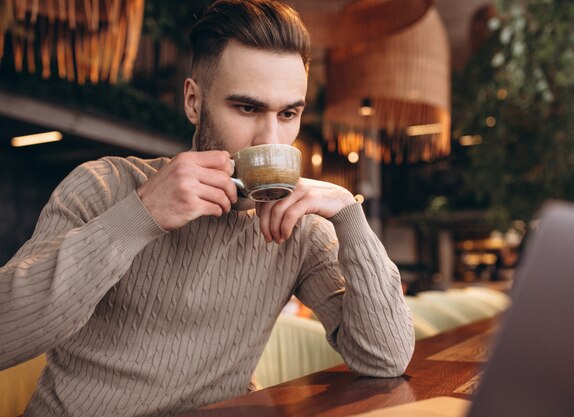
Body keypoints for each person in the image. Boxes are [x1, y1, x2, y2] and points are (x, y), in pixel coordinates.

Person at [0, 1, 415, 416]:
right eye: (247, 108)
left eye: (288, 113)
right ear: (194, 102)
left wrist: (348, 214)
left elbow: (385, 358)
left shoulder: (300, 228)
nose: (269, 139)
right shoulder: (104, 185)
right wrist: (139, 216)